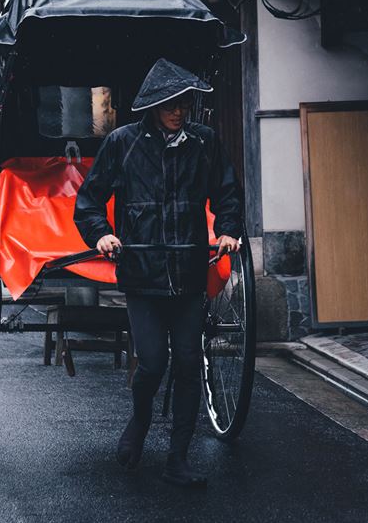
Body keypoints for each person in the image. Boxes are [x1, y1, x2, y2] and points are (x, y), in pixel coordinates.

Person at [74, 58, 243, 487]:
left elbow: (227, 192)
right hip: (142, 274)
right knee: (152, 362)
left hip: (187, 272)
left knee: (187, 361)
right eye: (170, 104)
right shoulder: (123, 143)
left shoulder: (203, 143)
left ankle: (178, 458)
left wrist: (227, 231)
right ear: (153, 106)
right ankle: (139, 421)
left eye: (184, 103)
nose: (178, 111)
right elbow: (89, 201)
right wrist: (101, 236)